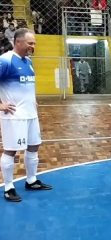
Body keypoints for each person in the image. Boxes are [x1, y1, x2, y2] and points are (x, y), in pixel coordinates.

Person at [0, 28, 52, 202]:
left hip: (31, 115)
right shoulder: (5, 60)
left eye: (34, 43)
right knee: (11, 151)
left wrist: (33, 100)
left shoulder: (28, 61)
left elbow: (27, 85)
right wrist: (1, 105)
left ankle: (31, 180)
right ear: (18, 42)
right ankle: (8, 187)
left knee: (34, 146)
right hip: (14, 116)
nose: (33, 46)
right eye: (30, 43)